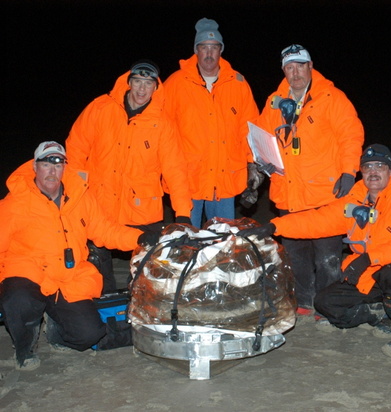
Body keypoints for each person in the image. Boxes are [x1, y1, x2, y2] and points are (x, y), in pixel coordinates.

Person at [238, 144, 391, 356]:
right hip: (371, 273)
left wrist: (368, 258)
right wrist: (275, 226)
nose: (373, 172)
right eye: (367, 167)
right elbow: (318, 220)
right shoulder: (355, 200)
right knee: (325, 303)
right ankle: (378, 312)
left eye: (379, 166)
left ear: (390, 170)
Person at [0, 141, 155, 370]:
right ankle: (25, 347)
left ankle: (56, 332)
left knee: (89, 335)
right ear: (34, 167)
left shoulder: (81, 197)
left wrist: (139, 238)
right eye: (46, 164)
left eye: (58, 164)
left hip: (68, 279)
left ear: (64, 168)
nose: (52, 171)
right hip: (29, 274)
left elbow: (106, 230)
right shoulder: (13, 203)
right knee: (19, 301)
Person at [255, 44, 364, 316]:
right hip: (288, 193)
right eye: (289, 67)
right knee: (295, 255)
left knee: (327, 257)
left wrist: (349, 171)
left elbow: (351, 136)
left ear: (310, 66)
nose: (295, 73)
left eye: (300, 66)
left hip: (325, 193)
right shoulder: (274, 102)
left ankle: (326, 305)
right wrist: (257, 165)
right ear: (283, 71)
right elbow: (259, 138)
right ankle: (303, 301)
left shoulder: (332, 98)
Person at [66, 60, 191, 293]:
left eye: (148, 83)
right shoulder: (100, 108)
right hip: (99, 205)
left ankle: (142, 314)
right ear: (128, 83)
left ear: (156, 88)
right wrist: (77, 192)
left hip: (142, 208)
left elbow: (175, 169)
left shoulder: (162, 123)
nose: (142, 89)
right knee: (96, 270)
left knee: (147, 274)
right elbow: (75, 149)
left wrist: (182, 213)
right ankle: (105, 313)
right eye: (137, 82)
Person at [163, 17, 261, 228]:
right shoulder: (175, 84)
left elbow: (251, 129)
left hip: (225, 178)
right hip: (188, 180)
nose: (209, 53)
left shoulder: (238, 84)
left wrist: (253, 165)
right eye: (204, 47)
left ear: (221, 50)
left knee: (221, 243)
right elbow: (161, 131)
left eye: (214, 47)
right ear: (196, 50)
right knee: (187, 242)